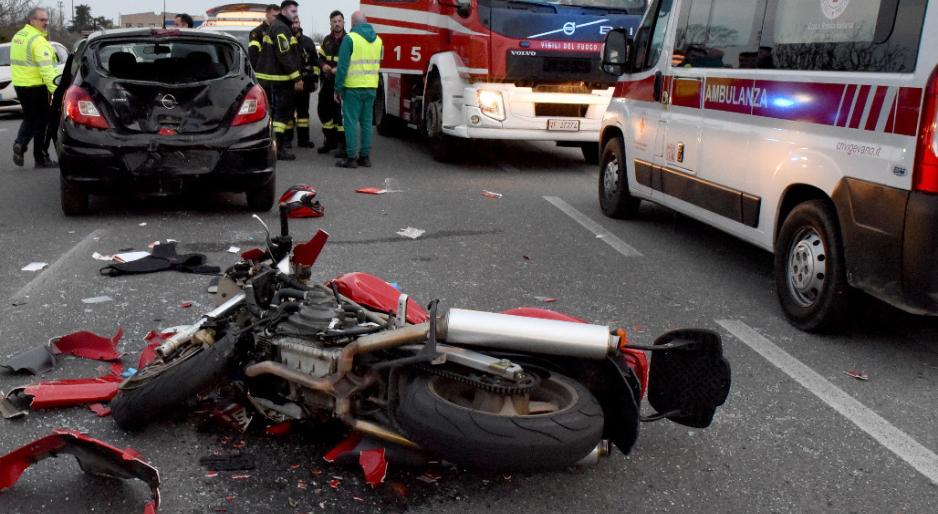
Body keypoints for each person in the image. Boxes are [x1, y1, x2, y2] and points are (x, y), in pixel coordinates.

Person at [255, 1, 303, 161]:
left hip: (271, 80)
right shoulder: (281, 28)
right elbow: (284, 55)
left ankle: (271, 148)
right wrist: (296, 77)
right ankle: (279, 150)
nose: (295, 14)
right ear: (283, 11)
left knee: (273, 116)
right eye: (293, 10)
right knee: (280, 118)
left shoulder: (278, 26)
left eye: (296, 11)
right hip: (278, 82)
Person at [334, 11, 382, 168]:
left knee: (350, 123)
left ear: (353, 24)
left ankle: (351, 158)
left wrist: (338, 88)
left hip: (353, 87)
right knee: (367, 122)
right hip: (371, 87)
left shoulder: (350, 39)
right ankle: (365, 157)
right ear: (366, 22)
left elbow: (342, 67)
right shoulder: (378, 40)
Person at [11, 7, 58, 168]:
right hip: (37, 87)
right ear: (32, 20)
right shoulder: (37, 41)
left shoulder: (18, 36)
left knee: (30, 118)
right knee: (42, 123)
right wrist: (55, 91)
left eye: (46, 20)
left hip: (20, 85)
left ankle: (20, 144)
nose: (46, 23)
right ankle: (41, 159)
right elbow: (47, 69)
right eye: (42, 20)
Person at [316, 10, 346, 156]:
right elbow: (319, 58)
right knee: (324, 111)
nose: (337, 24)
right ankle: (329, 141)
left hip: (341, 82)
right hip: (327, 82)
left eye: (339, 21)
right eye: (334, 21)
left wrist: (337, 70)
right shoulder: (326, 40)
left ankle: (343, 146)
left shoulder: (348, 40)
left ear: (343, 23)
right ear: (331, 23)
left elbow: (350, 62)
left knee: (340, 115)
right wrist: (323, 66)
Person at [292, 19, 319, 148]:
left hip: (305, 83)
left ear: (300, 24)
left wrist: (314, 80)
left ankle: (303, 140)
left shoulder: (308, 42)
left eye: (296, 23)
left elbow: (315, 62)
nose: (294, 25)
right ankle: (286, 141)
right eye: (292, 23)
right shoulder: (284, 39)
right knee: (287, 114)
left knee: (303, 114)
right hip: (288, 84)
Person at [248, 4, 280, 70]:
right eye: (274, 16)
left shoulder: (281, 31)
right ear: (267, 15)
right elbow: (253, 57)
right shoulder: (257, 32)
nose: (277, 19)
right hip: (264, 72)